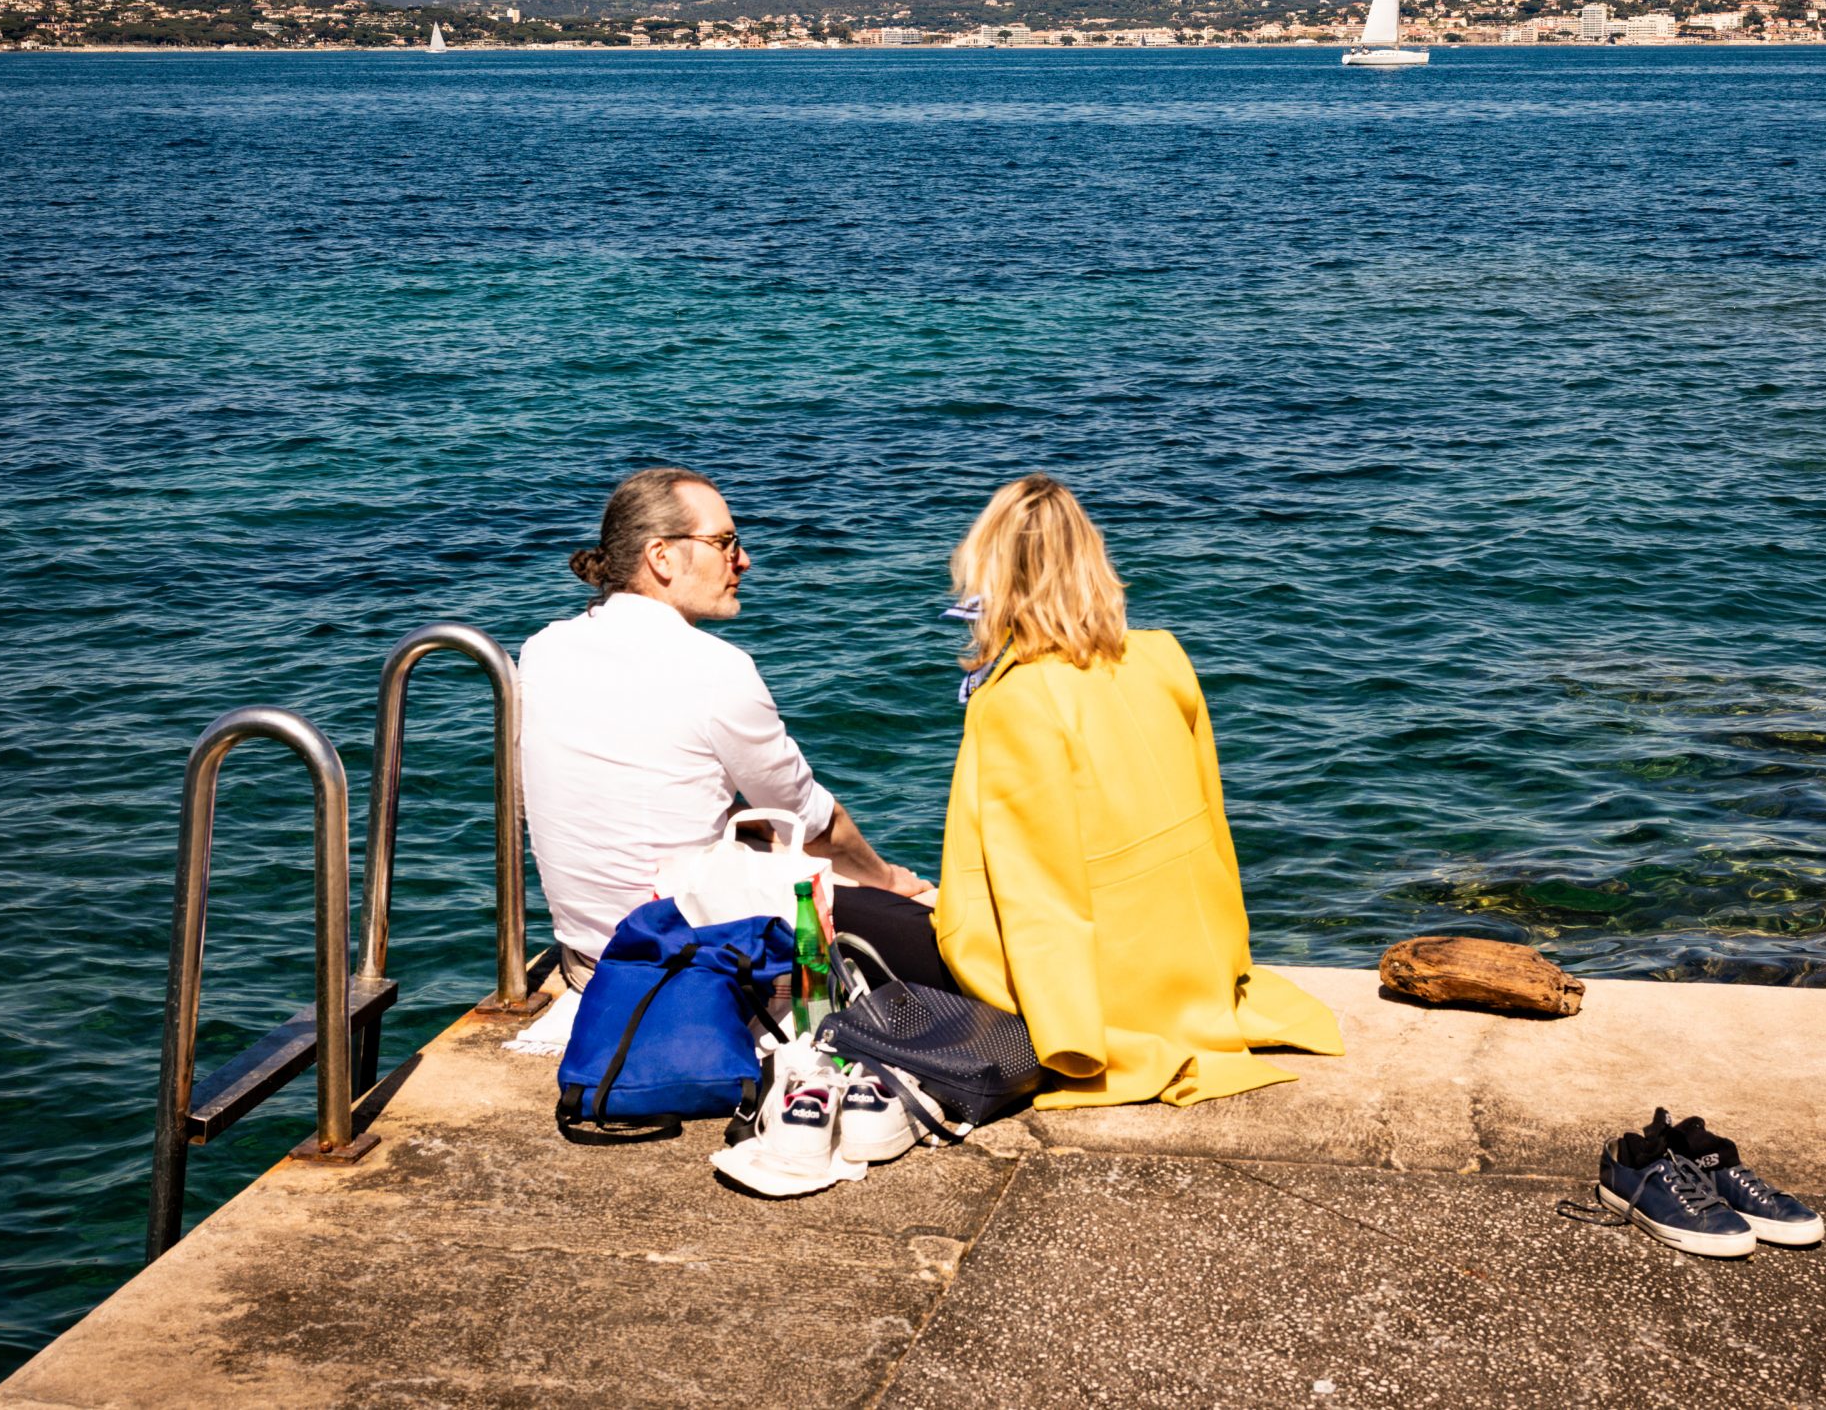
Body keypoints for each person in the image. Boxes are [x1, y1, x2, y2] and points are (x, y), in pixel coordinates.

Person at [933, 474, 1343, 1108]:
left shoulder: (1015, 699)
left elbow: (1038, 889)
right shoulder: (1161, 657)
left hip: (1110, 992)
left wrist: (1070, 1035)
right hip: (1198, 964)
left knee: (882, 920)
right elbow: (1211, 822)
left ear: (991, 575)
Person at [519, 467, 946, 991]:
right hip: (685, 964)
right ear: (661, 557)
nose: (742, 559)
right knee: (940, 939)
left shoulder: (543, 649)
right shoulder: (712, 667)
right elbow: (814, 822)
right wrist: (891, 882)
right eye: (724, 542)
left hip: (589, 957)